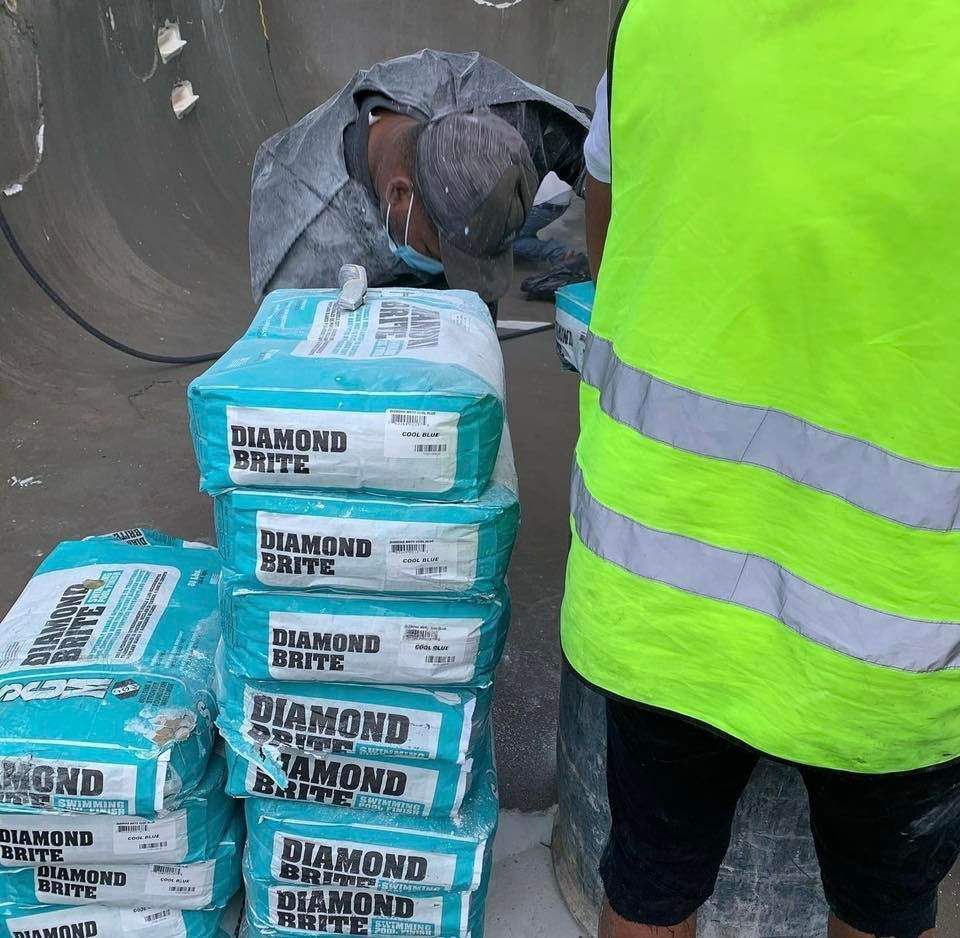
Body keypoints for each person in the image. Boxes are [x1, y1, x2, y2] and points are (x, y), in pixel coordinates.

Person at [564, 4, 960, 938]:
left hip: (663, 580)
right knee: (881, 908)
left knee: (648, 885)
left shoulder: (653, 17)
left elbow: (610, 239)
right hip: (898, 624)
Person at [248, 50, 589, 308]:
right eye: (433, 250)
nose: (458, 277)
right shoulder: (302, 255)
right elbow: (293, 355)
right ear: (399, 195)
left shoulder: (496, 108)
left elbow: (600, 155)